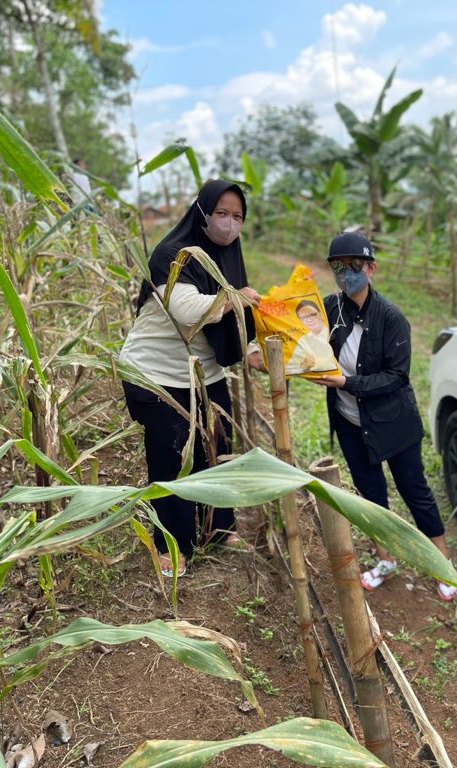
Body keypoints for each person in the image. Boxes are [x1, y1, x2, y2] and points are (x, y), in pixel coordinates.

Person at [306, 231, 457, 601]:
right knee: (371, 494)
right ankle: (385, 560)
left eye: (354, 266)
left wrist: (346, 381)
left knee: (414, 491)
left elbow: (397, 376)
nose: (346, 274)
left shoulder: (391, 317)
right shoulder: (331, 307)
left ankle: (444, 564)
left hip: (393, 423)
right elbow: (304, 338)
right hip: (349, 422)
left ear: (371, 268)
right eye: (338, 267)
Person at [119, 179, 260, 577]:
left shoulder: (228, 256)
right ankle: (170, 543)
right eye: (221, 214)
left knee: (217, 445)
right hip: (155, 372)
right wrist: (236, 298)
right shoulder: (172, 254)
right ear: (201, 213)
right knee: (171, 457)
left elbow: (235, 323)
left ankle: (219, 527)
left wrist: (250, 349)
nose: (229, 224)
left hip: (202, 370)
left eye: (237, 217)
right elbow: (186, 309)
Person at [285, 299, 338, 375]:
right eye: (304, 317)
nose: (309, 319)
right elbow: (290, 367)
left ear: (320, 314)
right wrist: (303, 365)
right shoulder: (302, 340)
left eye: (312, 315)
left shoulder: (334, 330)